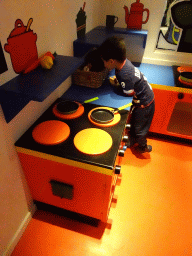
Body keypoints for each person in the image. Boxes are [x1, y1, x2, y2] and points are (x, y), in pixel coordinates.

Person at [98, 36, 155, 153]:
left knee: (140, 128)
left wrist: (117, 87)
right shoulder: (124, 63)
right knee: (135, 122)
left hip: (145, 103)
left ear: (111, 61)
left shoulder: (124, 75)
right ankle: (133, 140)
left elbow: (128, 93)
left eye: (104, 61)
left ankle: (143, 146)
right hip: (143, 97)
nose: (104, 64)